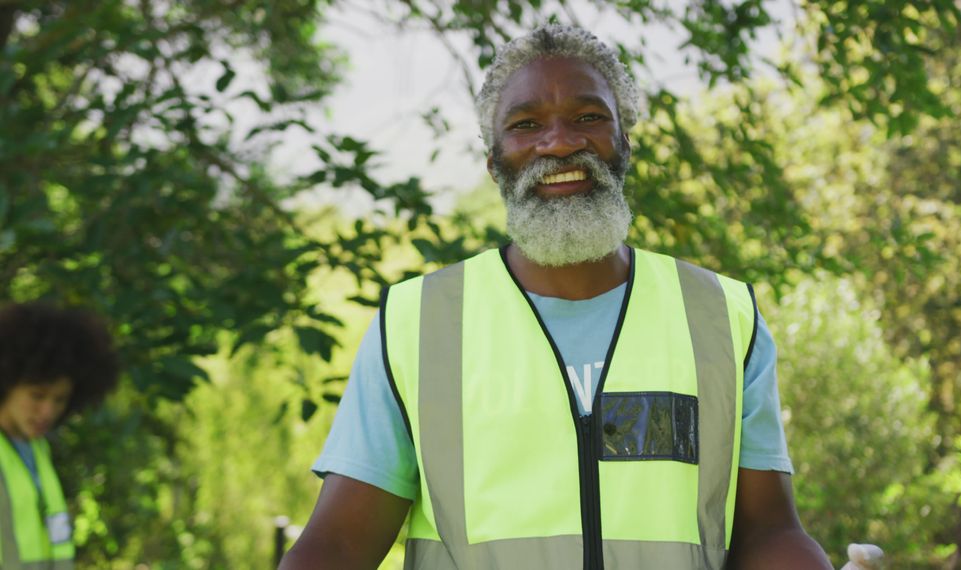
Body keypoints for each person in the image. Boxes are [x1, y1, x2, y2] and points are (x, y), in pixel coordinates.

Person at [282, 24, 833, 570]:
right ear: (494, 162)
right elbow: (336, 547)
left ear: (624, 142)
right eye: (526, 124)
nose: (561, 142)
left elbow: (769, 533)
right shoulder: (415, 324)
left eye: (588, 117)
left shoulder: (723, 316)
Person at [0, 303, 119, 569]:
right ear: (6, 383)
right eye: (37, 395)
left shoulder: (38, 450)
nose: (48, 411)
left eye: (60, 399)